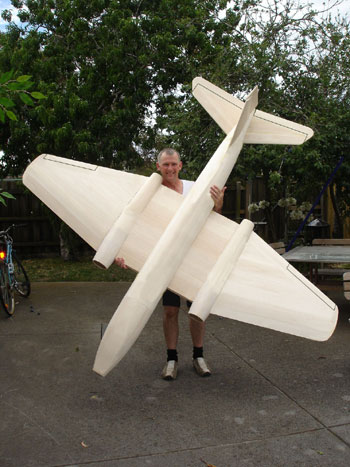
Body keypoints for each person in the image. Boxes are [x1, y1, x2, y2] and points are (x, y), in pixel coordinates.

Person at [116, 148, 225, 380]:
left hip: (194, 259)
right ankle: (171, 359)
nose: (170, 169)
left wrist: (218, 203)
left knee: (197, 311)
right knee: (170, 311)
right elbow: (137, 225)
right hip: (167, 261)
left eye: (173, 164)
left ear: (180, 165)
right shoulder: (151, 193)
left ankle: (199, 356)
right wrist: (123, 252)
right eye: (165, 165)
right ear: (158, 167)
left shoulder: (195, 188)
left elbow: (213, 217)